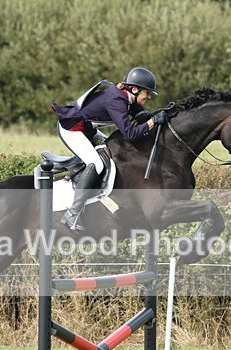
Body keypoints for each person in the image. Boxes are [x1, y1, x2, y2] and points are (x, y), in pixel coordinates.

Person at [52, 66, 169, 231]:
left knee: (112, 152)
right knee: (97, 164)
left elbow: (142, 116)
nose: (149, 96)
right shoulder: (117, 100)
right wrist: (153, 122)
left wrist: (166, 114)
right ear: (134, 89)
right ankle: (72, 213)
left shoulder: (128, 98)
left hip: (87, 128)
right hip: (71, 129)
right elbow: (130, 133)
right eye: (147, 92)